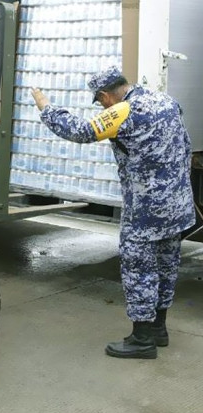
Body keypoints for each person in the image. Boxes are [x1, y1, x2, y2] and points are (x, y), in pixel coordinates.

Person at [31, 66, 196, 359]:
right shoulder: (166, 101)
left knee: (139, 270)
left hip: (146, 211)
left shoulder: (122, 111)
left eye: (100, 100)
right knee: (167, 265)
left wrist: (46, 108)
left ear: (106, 95)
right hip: (178, 205)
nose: (102, 105)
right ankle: (159, 329)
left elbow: (81, 131)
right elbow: (184, 144)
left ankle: (142, 339)